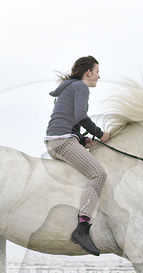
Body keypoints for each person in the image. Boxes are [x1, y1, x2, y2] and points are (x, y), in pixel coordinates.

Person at [45, 56, 110, 256]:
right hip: (62, 141)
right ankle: (82, 228)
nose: (99, 76)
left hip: (57, 139)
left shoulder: (68, 87)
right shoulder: (80, 87)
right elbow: (81, 116)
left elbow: (69, 119)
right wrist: (101, 134)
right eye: (97, 71)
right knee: (98, 174)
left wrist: (81, 140)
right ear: (88, 72)